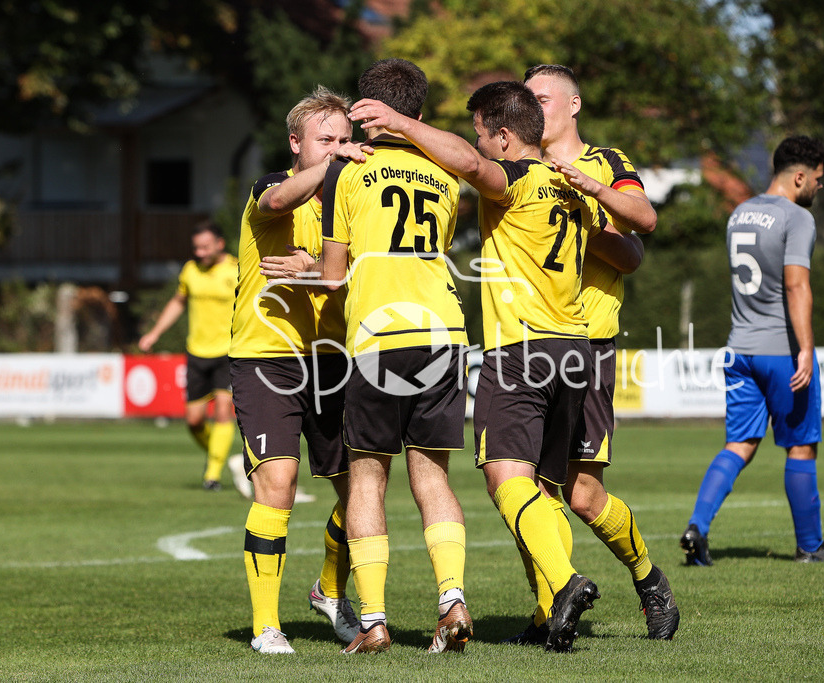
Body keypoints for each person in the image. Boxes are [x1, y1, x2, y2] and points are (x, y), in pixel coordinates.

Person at [350, 80, 621, 653]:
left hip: (521, 348)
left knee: (503, 478)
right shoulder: (569, 185)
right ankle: (553, 615)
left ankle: (566, 584)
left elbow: (473, 164)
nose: (475, 145)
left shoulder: (518, 179)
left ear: (503, 136)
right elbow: (634, 240)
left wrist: (400, 125)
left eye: (480, 133)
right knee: (546, 491)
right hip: (576, 345)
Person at [501, 63, 678, 642]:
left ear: (573, 105)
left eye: (544, 97)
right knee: (532, 487)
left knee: (580, 493)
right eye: (527, 98)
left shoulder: (607, 163)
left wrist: (587, 203)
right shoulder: (514, 171)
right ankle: (549, 609)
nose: (535, 106)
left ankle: (648, 577)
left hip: (589, 347)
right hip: (529, 342)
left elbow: (638, 238)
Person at [314, 59, 472, 655]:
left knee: (367, 478)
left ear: (364, 110)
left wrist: (308, 268)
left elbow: (334, 277)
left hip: (379, 337)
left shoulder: (346, 174)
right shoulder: (444, 173)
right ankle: (452, 600)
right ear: (420, 113)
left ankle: (375, 620)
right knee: (431, 475)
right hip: (443, 331)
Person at [230, 86, 370, 654]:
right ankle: (267, 626)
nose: (339, 149)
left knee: (359, 491)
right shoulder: (271, 188)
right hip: (268, 355)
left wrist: (321, 267)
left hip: (333, 360)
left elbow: (366, 274)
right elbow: (279, 202)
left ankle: (329, 591)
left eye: (345, 139)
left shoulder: (352, 205)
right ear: (296, 143)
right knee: (278, 485)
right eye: (325, 141)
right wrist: (333, 170)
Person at [680, 135, 824, 566]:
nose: (820, 186)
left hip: (739, 349)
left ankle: (697, 527)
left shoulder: (740, 212)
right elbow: (797, 285)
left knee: (739, 443)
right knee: (800, 446)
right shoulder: (796, 218)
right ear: (799, 176)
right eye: (817, 179)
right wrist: (805, 349)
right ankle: (811, 547)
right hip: (781, 351)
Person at [139, 221, 237, 491]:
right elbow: (178, 301)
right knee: (193, 421)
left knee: (222, 411)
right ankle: (219, 454)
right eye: (196, 248)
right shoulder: (190, 271)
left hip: (228, 351)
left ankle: (212, 475)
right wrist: (155, 333)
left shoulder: (236, 269)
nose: (200, 252)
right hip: (197, 352)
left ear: (219, 244)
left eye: (205, 247)